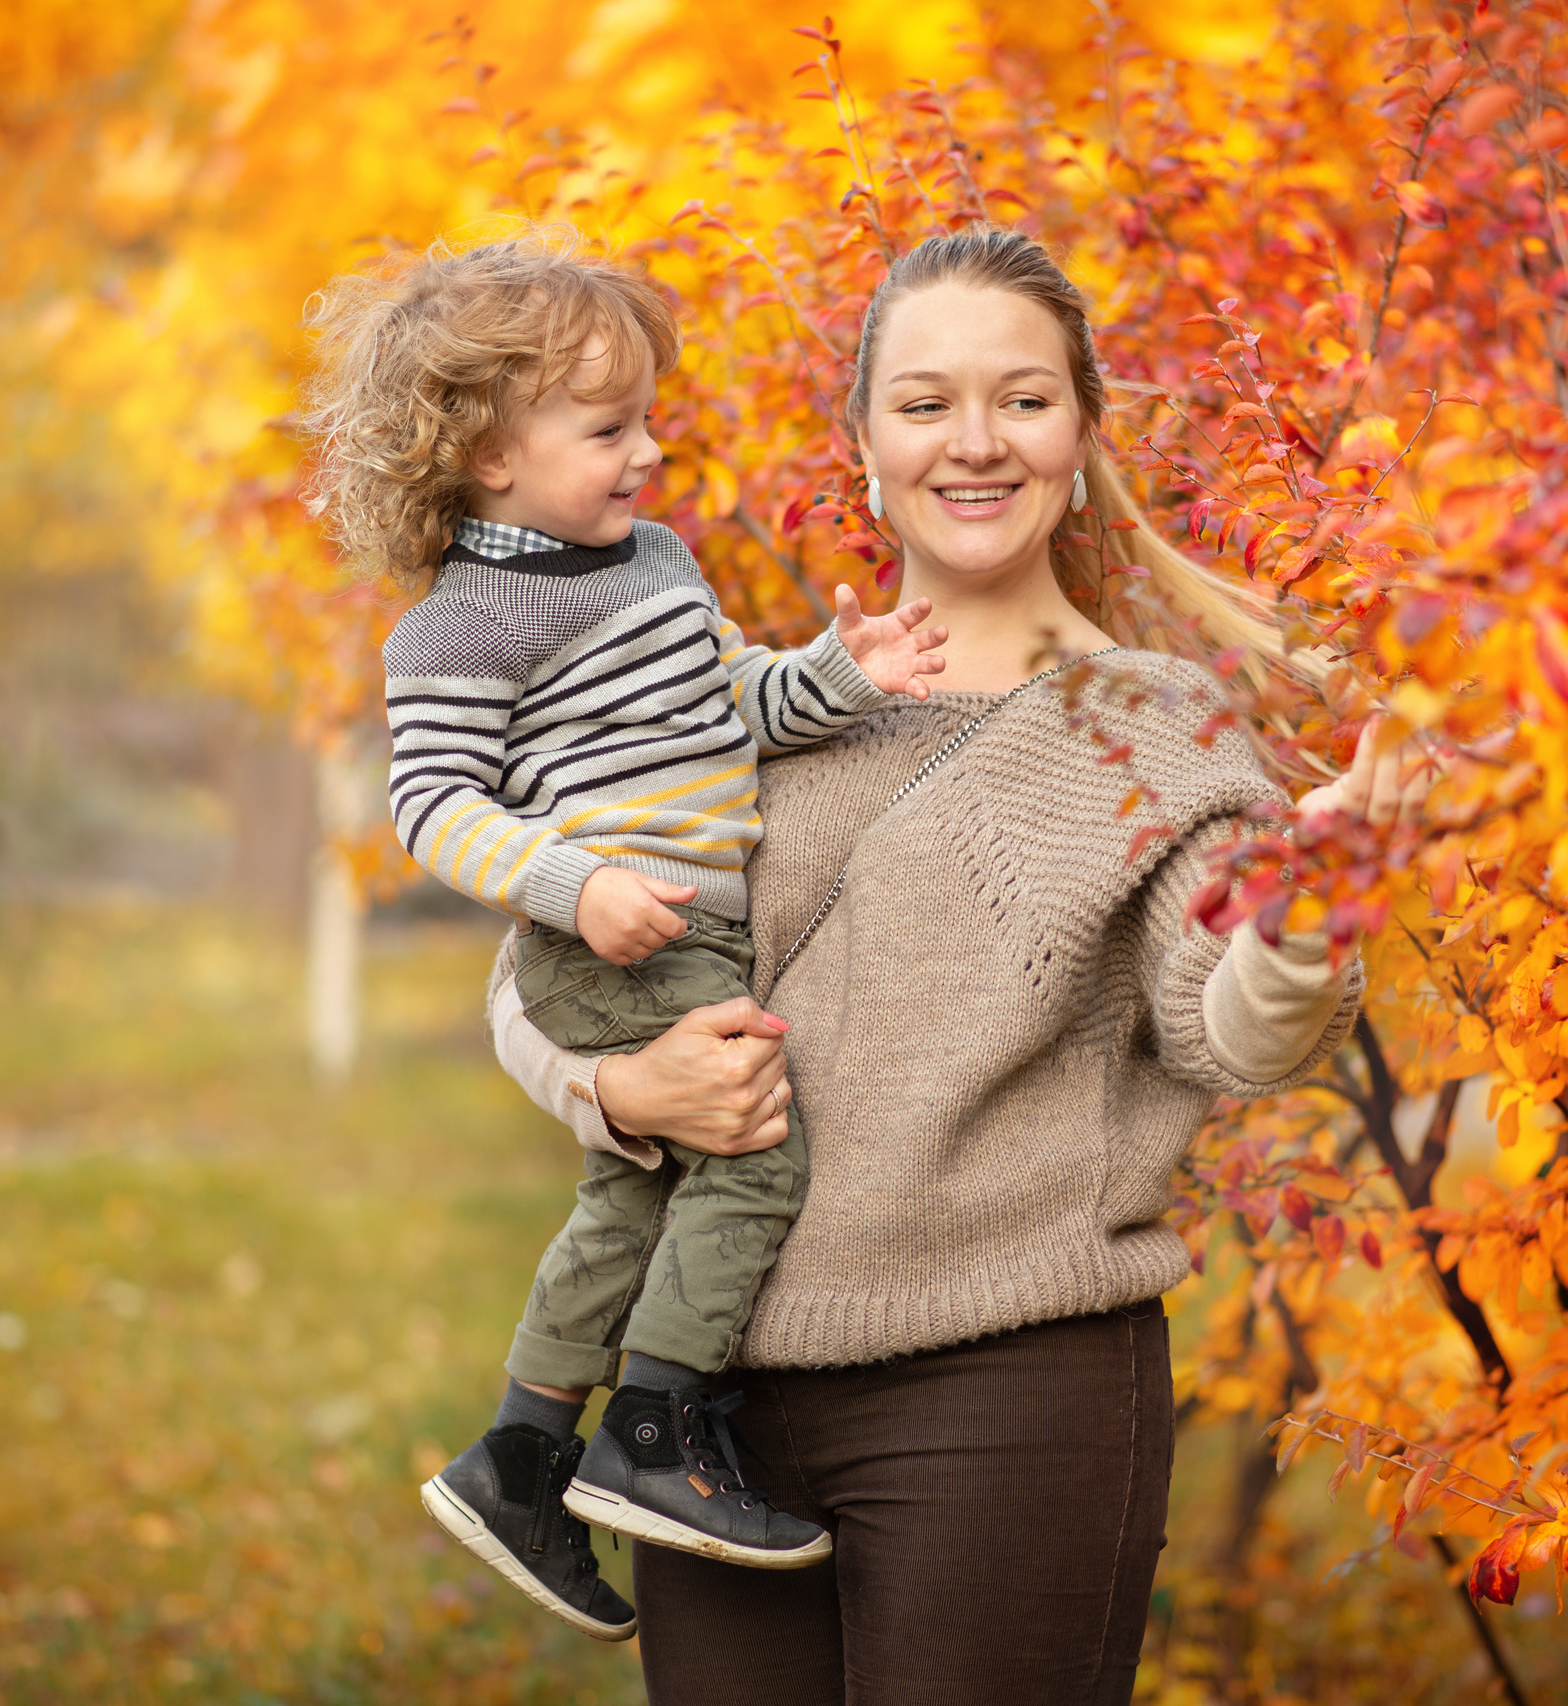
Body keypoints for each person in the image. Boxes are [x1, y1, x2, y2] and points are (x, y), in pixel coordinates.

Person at [486, 223, 1416, 1705]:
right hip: (701, 1412)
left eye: (1023, 398)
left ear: (1081, 432)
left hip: (1010, 1393)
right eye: (925, 402)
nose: (974, 442)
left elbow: (1233, 1029)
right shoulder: (745, 707)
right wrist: (621, 1083)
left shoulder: (1155, 729)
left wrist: (1306, 918)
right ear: (861, 440)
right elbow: (535, 971)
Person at [300, 229, 949, 1643]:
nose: (649, 452)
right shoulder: (458, 629)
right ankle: (657, 1428)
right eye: (608, 428)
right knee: (753, 1160)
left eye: (646, 418)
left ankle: (522, 1455)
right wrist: (570, 884)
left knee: (631, 1198)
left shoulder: (654, 560)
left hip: (685, 925)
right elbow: (431, 806)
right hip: (613, 942)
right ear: (487, 455)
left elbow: (738, 710)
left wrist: (848, 671)